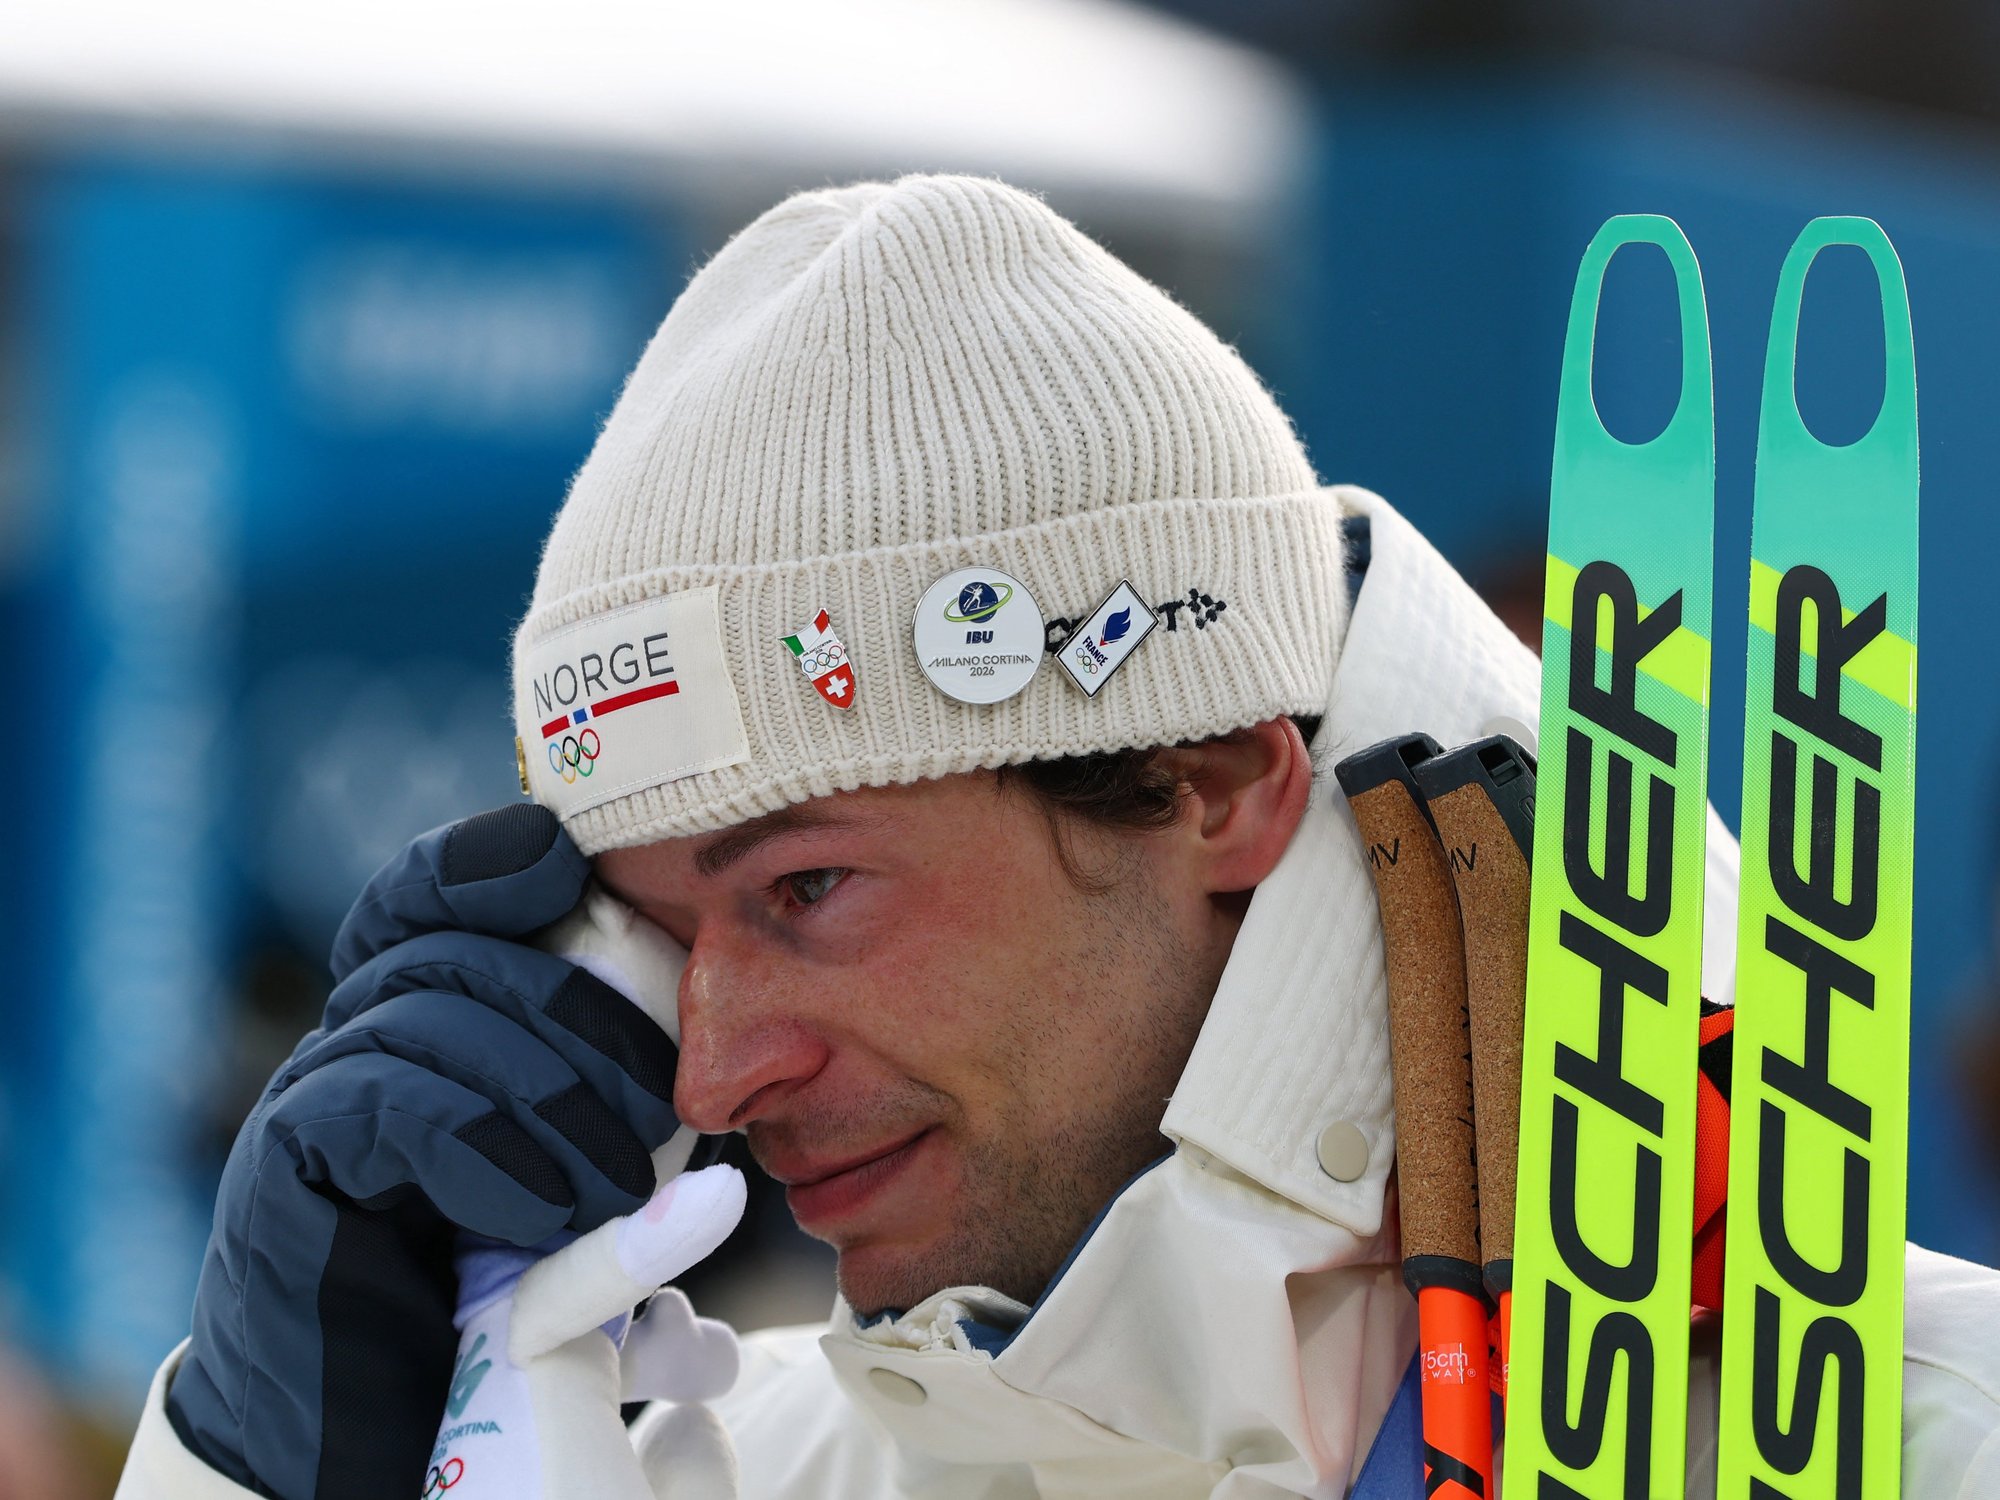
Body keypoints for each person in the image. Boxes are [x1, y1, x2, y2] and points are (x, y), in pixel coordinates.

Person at [115, 175, 2000, 1498]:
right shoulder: (713, 1470)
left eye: (810, 887)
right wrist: (266, 1467)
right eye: (662, 931)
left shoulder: (1930, 1441)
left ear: (1217, 786)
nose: (714, 1061)